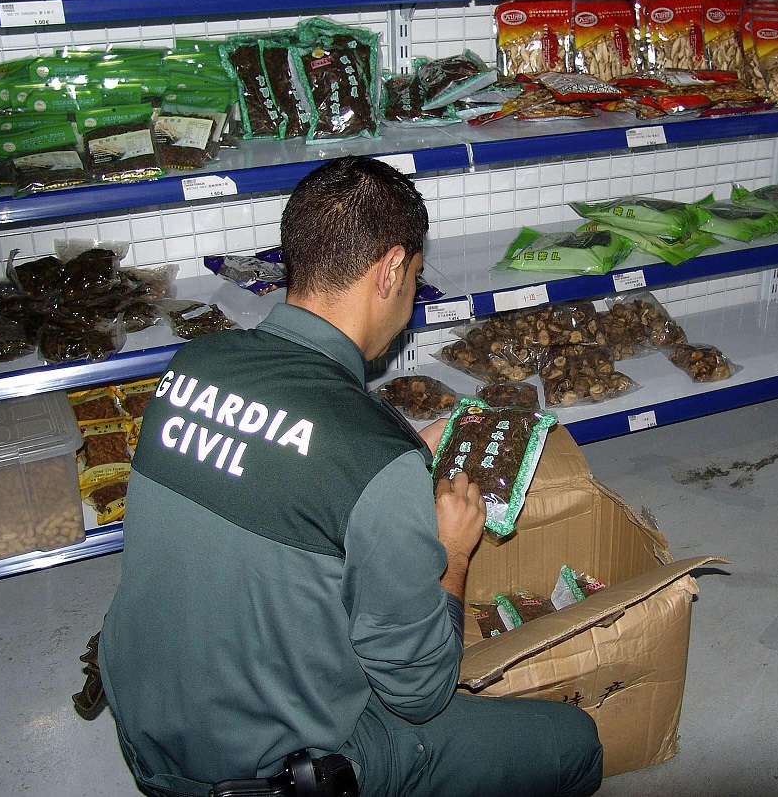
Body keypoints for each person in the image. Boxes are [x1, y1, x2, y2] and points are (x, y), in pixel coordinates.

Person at [98, 155, 604, 797]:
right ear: (392, 269)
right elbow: (421, 693)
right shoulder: (374, 458)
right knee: (573, 745)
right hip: (258, 776)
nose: (413, 300)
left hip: (149, 728)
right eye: (417, 279)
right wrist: (450, 551)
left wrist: (394, 460)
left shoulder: (197, 361)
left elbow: (281, 467)